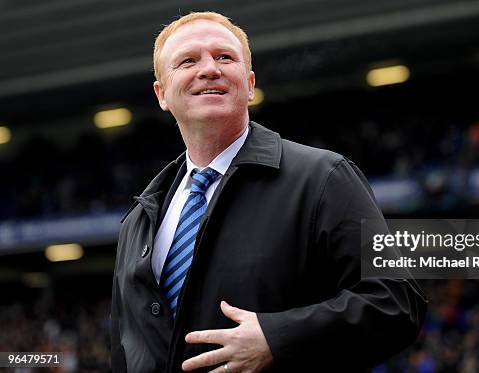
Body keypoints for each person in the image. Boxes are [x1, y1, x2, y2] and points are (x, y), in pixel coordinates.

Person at [111, 11, 427, 373]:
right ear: (162, 93)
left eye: (225, 57)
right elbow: (124, 347)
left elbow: (397, 302)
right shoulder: (138, 220)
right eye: (187, 61)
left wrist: (280, 339)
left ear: (249, 83)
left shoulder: (324, 178)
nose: (209, 69)